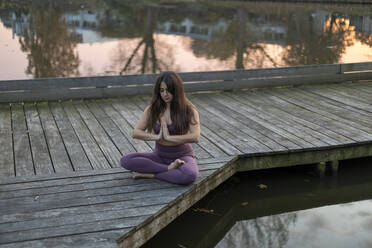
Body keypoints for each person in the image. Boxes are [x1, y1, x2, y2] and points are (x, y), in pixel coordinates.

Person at [120, 71, 200, 185]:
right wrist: (157, 137)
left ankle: (151, 174)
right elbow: (136, 132)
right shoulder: (152, 109)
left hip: (182, 157)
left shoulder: (189, 110)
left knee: (189, 175)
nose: (165, 94)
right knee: (126, 160)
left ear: (177, 90)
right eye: (162, 90)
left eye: (169, 90)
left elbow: (195, 136)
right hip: (159, 156)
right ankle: (168, 169)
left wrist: (168, 138)